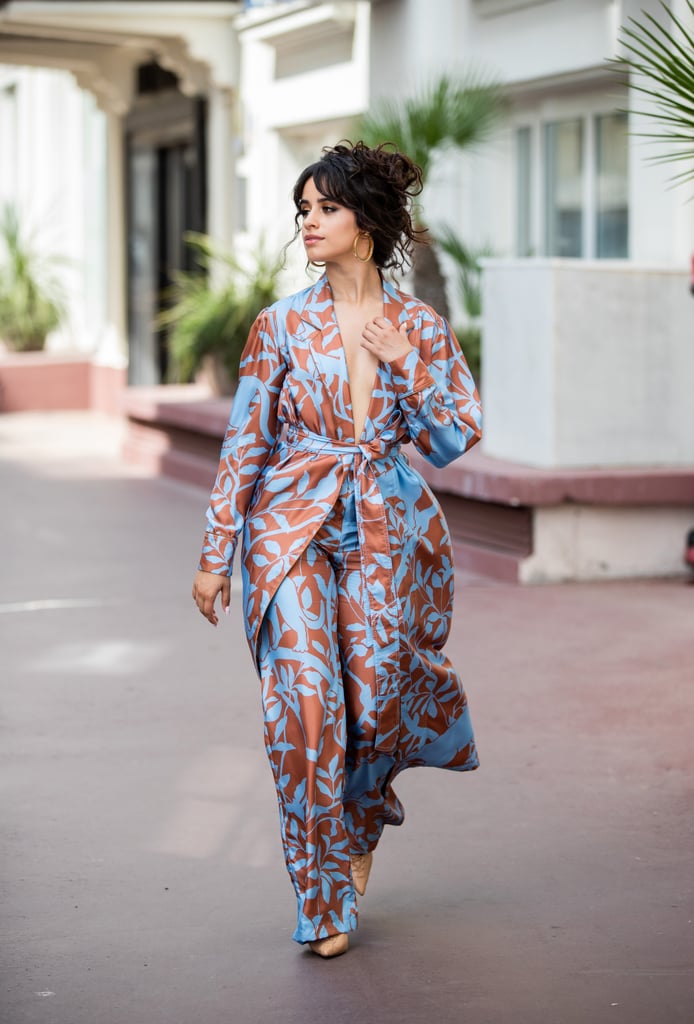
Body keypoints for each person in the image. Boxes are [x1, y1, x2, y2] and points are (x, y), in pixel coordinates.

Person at [192, 141, 482, 958]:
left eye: (327, 209)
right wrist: (217, 553)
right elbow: (244, 444)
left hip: (389, 531)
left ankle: (358, 823)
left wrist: (408, 368)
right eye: (304, 211)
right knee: (309, 703)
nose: (310, 224)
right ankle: (321, 897)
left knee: (378, 696)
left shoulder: (419, 325)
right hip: (290, 529)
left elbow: (455, 436)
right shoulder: (279, 325)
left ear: (369, 223)